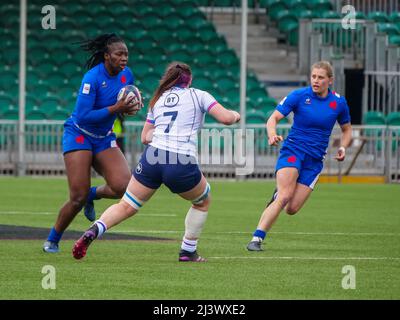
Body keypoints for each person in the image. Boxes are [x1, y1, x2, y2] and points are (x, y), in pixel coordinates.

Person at [72, 62, 241, 262]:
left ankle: (94, 230)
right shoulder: (199, 95)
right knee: (202, 201)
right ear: (189, 80)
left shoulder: (157, 100)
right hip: (179, 159)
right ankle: (188, 251)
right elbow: (226, 119)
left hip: (152, 157)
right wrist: (236, 115)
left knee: (127, 205)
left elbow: (145, 137)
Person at [43, 33, 141, 253]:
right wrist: (117, 109)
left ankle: (92, 194)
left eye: (126, 54)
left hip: (103, 137)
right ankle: (52, 239)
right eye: (119, 54)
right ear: (107, 56)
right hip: (79, 133)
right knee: (76, 197)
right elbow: (84, 115)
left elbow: (124, 102)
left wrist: (131, 107)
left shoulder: (127, 75)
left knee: (123, 187)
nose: (124, 58)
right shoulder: (92, 78)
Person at [246, 60, 353, 251]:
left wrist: (343, 148)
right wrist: (272, 135)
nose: (316, 81)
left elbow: (347, 130)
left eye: (321, 77)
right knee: (285, 196)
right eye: (313, 76)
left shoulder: (339, 102)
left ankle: (278, 194)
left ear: (330, 80)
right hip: (293, 151)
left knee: (291, 209)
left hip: (314, 160)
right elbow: (273, 118)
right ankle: (256, 239)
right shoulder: (299, 96)